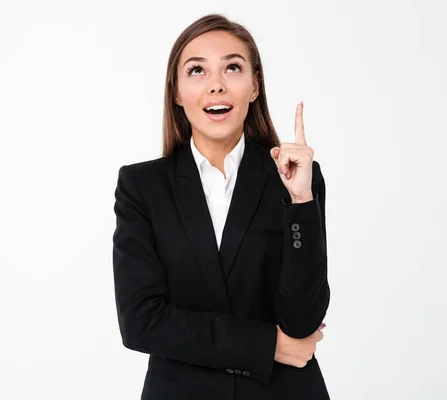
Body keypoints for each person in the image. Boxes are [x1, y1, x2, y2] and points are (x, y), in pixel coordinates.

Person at [112, 13, 330, 400]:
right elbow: (141, 322)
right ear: (177, 92)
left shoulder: (296, 177)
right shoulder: (142, 187)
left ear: (254, 86)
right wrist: (267, 346)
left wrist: (300, 200)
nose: (216, 85)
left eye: (232, 67)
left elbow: (302, 321)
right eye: (197, 71)